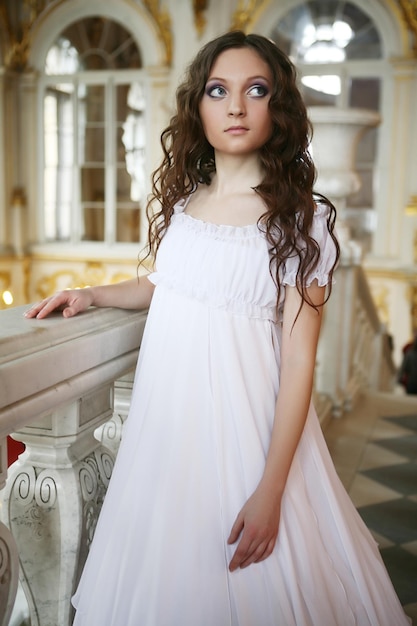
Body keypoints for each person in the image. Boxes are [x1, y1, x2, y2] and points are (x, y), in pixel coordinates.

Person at [25, 31, 410, 626]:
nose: (236, 106)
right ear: (198, 107)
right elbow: (166, 284)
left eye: (256, 90)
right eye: (218, 90)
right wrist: (91, 294)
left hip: (247, 434)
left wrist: (272, 489)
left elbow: (301, 361)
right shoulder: (187, 205)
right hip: (168, 431)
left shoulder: (299, 222)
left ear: (277, 107)